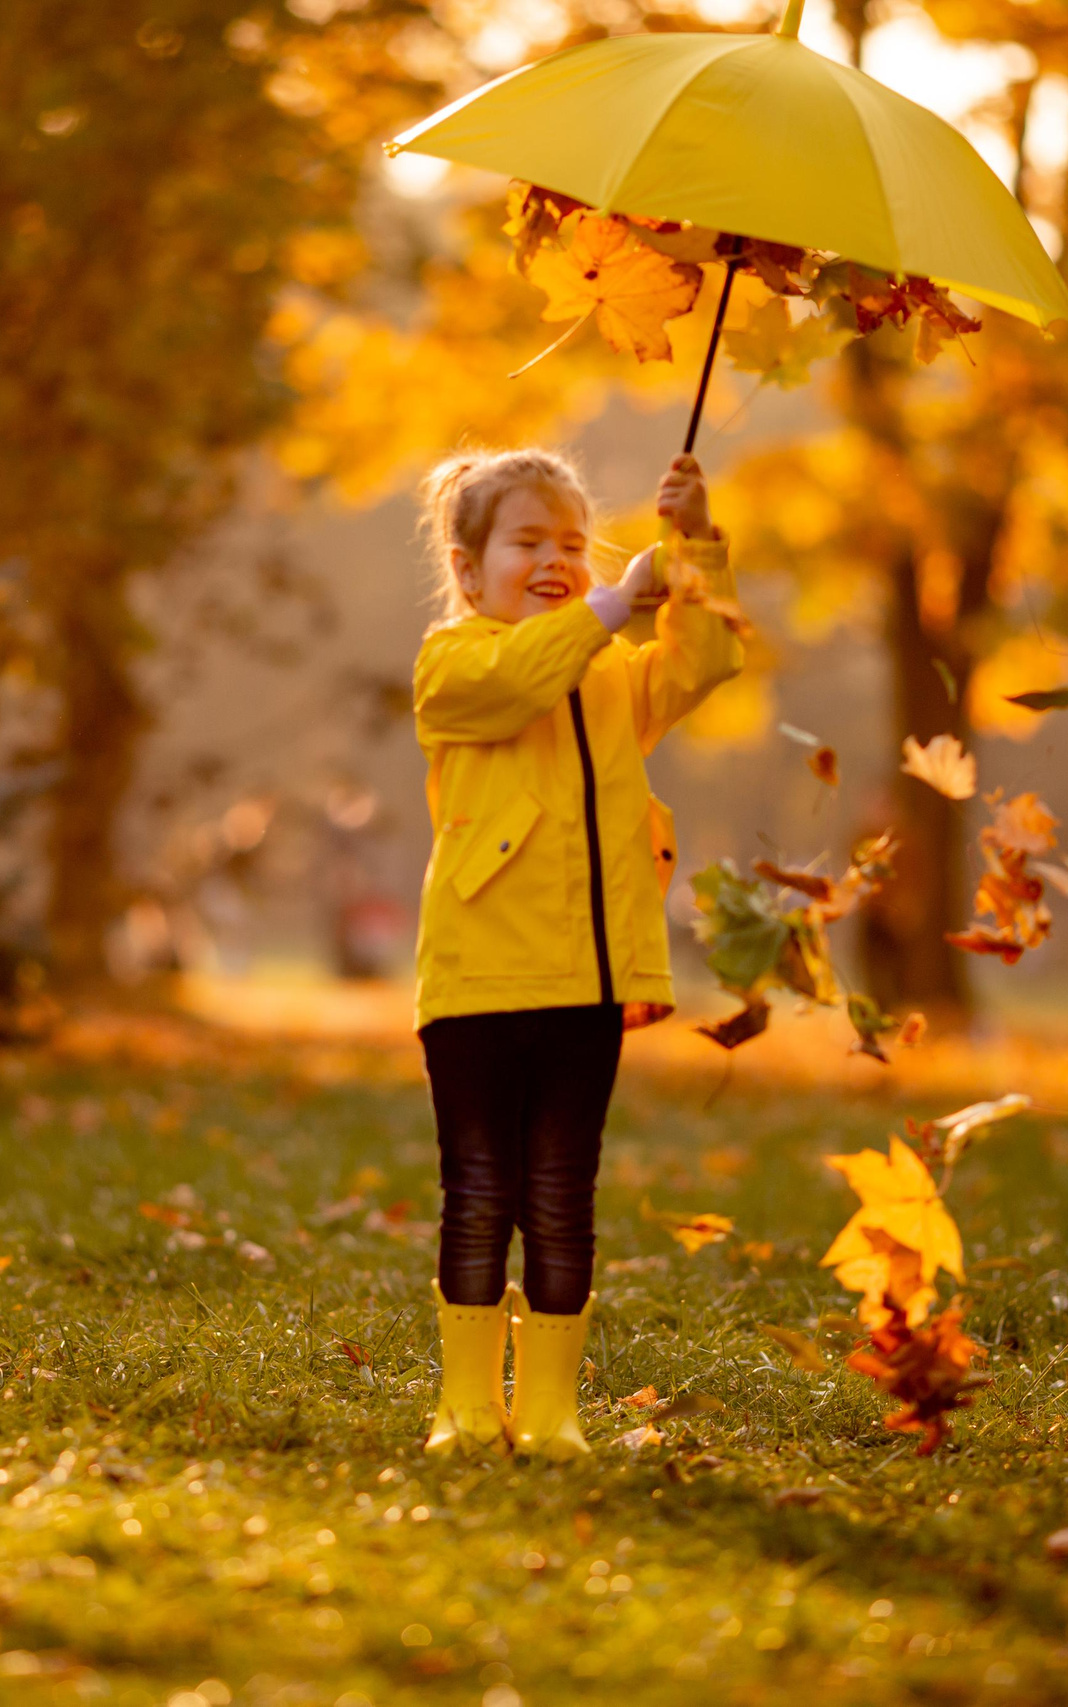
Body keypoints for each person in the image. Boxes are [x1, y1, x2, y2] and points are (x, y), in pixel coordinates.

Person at [409, 447, 742, 1459]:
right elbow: (518, 679)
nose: (556, 560)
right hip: (476, 982)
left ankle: (551, 1410)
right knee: (480, 1192)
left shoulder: (609, 677)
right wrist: (608, 605)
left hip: (587, 983)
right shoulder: (452, 664)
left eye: (572, 543)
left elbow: (704, 663)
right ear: (468, 570)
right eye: (528, 543)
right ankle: (467, 1406)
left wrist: (692, 545)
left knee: (561, 1198)